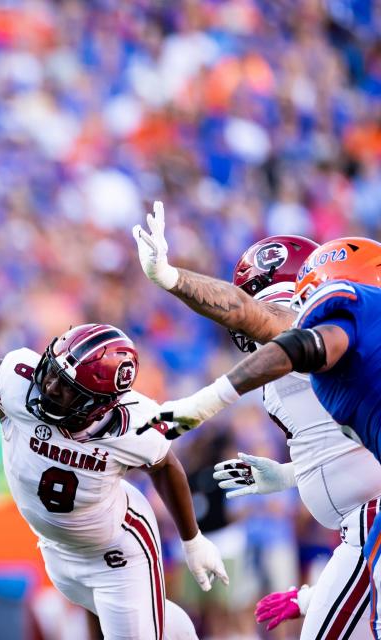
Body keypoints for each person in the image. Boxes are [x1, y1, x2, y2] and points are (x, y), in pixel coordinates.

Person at [0, 244, 228, 639]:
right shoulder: (17, 381)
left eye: (66, 388)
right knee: (157, 623)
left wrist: (192, 540)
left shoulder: (133, 424)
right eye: (52, 370)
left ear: (99, 403)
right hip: (56, 553)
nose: (49, 386)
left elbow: (165, 465)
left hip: (117, 554)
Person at [134, 202, 381, 638]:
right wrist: (288, 476)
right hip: (357, 532)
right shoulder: (282, 380)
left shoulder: (327, 330)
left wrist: (172, 278)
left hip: (369, 523)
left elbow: (257, 317)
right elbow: (346, 447)